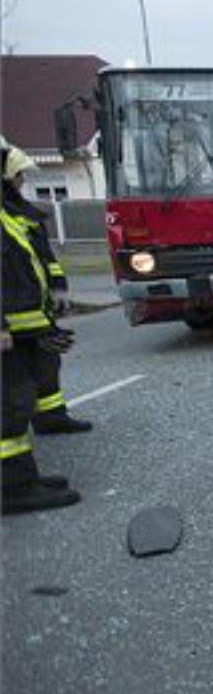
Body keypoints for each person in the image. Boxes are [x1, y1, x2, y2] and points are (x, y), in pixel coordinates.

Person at [2, 146, 80, 515]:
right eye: (17, 175)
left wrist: (56, 296)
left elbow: (36, 259)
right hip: (9, 325)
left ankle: (24, 476)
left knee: (28, 388)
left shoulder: (14, 212)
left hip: (28, 321)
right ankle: (13, 488)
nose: (22, 181)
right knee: (9, 403)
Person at [2, 144, 92, 435]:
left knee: (46, 364)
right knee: (16, 390)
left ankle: (51, 417)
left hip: (34, 313)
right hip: (12, 320)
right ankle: (15, 470)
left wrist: (58, 289)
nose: (23, 181)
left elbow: (42, 257)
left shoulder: (21, 212)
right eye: (18, 176)